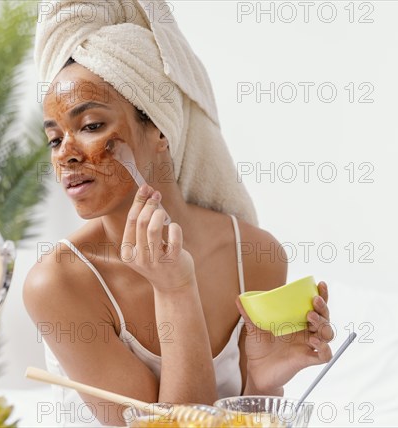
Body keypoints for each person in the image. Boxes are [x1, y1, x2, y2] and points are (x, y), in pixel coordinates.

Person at [23, 2, 333, 426]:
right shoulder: (58, 282)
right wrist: (174, 290)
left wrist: (262, 388)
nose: (67, 156)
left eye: (91, 126)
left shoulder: (256, 254)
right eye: (54, 140)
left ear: (160, 131)